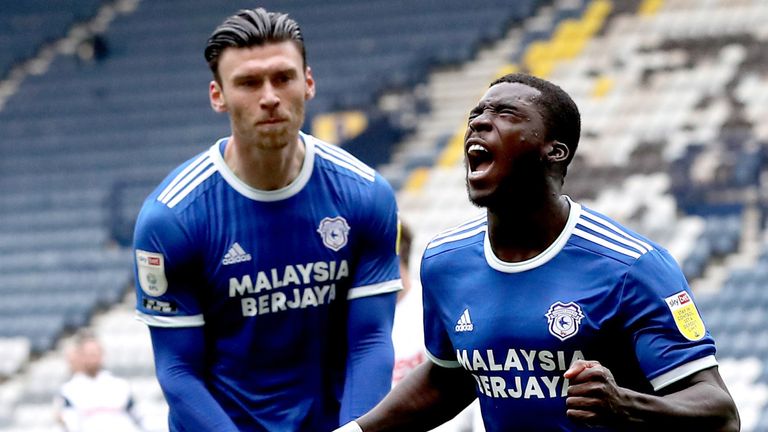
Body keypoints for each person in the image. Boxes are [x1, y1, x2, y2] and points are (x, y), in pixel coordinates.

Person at [336, 73, 740, 432]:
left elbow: (720, 414)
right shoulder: (445, 261)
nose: (478, 123)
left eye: (506, 114)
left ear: (555, 151)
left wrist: (627, 406)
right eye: (477, 114)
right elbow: (450, 379)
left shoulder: (632, 266)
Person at [131, 7, 401, 432]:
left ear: (308, 83)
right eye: (248, 82)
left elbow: (369, 342)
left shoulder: (365, 194)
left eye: (283, 77)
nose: (270, 95)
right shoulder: (171, 219)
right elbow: (178, 372)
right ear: (217, 95)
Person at [54, 331, 142, 432]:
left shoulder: (120, 385)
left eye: (96, 353)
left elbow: (138, 417)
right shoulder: (69, 391)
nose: (93, 358)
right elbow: (70, 424)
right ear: (80, 356)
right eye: (89, 354)